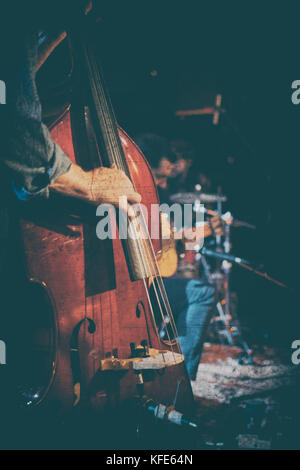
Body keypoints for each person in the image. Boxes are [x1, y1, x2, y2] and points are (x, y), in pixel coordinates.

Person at [135, 133, 224, 380]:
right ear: (142, 167)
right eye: (160, 176)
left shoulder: (151, 195)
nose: (164, 184)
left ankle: (171, 367)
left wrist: (198, 232)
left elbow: (164, 239)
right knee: (204, 292)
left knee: (195, 290)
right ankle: (179, 379)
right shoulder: (134, 194)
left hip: (146, 282)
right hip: (136, 288)